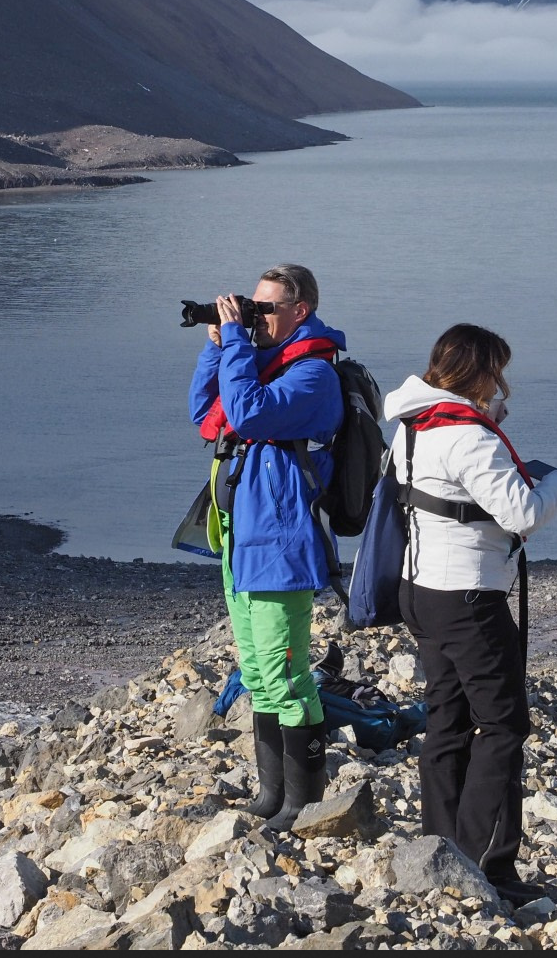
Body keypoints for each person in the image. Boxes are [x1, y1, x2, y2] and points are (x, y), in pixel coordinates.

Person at [383, 324, 557, 905]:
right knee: (504, 724)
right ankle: (487, 865)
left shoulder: (412, 424)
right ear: (480, 373)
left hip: (420, 590)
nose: (504, 384)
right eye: (499, 372)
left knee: (448, 720)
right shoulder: (468, 436)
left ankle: (442, 846)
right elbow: (521, 514)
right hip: (468, 595)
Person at [188, 263, 345, 832]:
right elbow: (205, 416)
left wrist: (235, 340)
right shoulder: (262, 363)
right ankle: (271, 794)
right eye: (250, 307)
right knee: (256, 672)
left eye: (266, 308)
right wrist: (217, 347)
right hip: (243, 540)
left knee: (287, 676)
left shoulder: (312, 376)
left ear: (300, 310)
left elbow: (250, 412)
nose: (255, 317)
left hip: (281, 542)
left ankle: (303, 803)